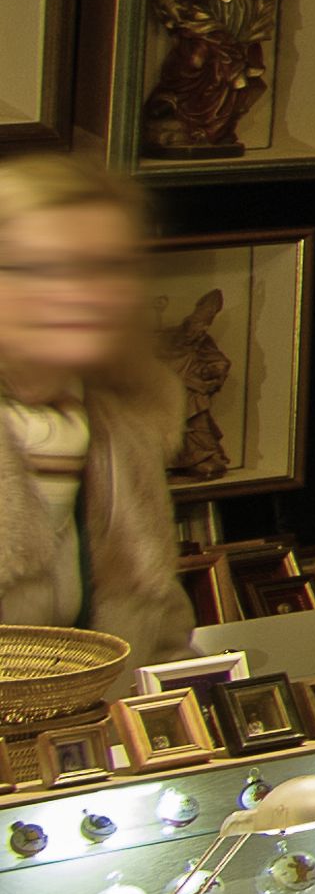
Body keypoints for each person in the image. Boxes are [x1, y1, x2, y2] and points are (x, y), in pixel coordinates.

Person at [0, 142, 194, 656]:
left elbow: (162, 647)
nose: (86, 291)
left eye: (107, 267)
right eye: (49, 267)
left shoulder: (122, 429)